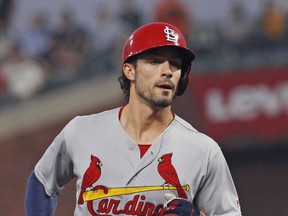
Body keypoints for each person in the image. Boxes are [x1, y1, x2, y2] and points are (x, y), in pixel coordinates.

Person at [25, 22, 242, 216]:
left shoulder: (203, 150)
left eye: (175, 64)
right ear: (130, 70)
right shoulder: (82, 130)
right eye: (155, 61)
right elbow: (41, 182)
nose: (167, 71)